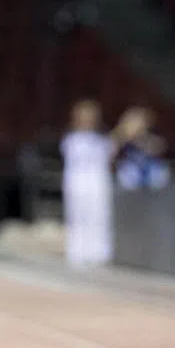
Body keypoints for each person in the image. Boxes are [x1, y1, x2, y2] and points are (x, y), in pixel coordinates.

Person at [60, 101, 145, 268]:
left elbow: (112, 144)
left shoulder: (99, 139)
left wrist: (127, 127)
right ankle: (77, 253)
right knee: (78, 217)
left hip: (97, 185)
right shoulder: (71, 140)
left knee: (99, 217)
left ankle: (99, 253)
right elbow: (100, 147)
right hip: (77, 185)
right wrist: (121, 131)